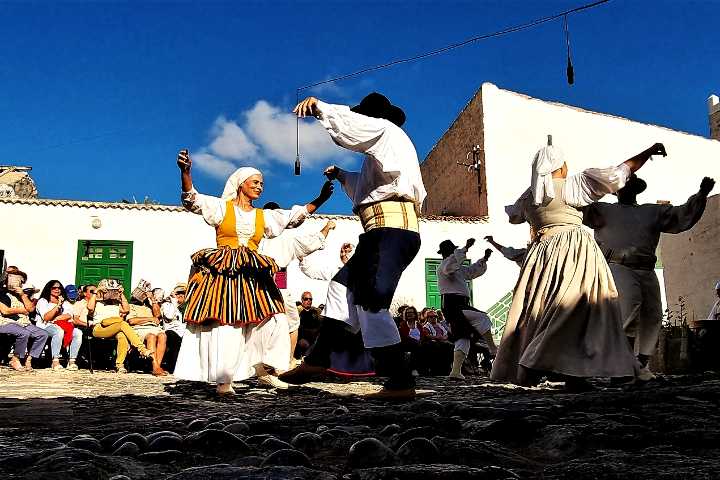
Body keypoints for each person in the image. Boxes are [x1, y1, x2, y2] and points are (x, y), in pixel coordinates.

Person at [491, 143, 665, 389]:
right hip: (573, 251)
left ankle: (575, 374)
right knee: (579, 309)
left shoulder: (531, 195)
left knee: (549, 311)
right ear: (561, 165)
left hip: (542, 254)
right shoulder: (574, 185)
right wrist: (647, 153)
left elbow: (514, 216)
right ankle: (533, 364)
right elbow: (620, 173)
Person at [289, 92, 426, 399]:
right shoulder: (380, 154)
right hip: (379, 233)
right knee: (340, 287)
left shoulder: (386, 132)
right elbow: (369, 190)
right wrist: (341, 176)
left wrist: (321, 108)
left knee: (371, 301)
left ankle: (401, 380)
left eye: (364, 116)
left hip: (391, 231)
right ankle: (318, 360)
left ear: (373, 118)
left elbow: (350, 129)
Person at [173, 149, 333, 394]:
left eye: (262, 184)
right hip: (226, 273)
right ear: (240, 185)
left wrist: (319, 200)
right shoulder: (220, 208)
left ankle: (262, 369)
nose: (260, 187)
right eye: (255, 183)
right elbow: (192, 199)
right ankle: (224, 381)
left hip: (253, 275)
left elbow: (293, 217)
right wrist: (186, 172)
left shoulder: (263, 216)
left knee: (275, 319)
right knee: (228, 323)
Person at [583, 174, 715, 380]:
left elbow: (681, 215)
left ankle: (639, 364)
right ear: (615, 190)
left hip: (646, 268)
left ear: (635, 190)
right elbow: (577, 207)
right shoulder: (603, 210)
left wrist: (701, 195)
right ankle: (621, 365)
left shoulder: (651, 211)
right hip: (618, 267)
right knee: (628, 309)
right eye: (621, 186)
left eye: (628, 186)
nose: (624, 190)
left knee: (652, 314)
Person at [259, 216, 335, 364]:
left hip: (266, 277)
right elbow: (313, 241)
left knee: (281, 321)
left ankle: (286, 360)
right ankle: (287, 361)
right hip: (276, 276)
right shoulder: (285, 239)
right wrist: (327, 227)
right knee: (290, 322)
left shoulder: (256, 235)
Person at [437, 239, 497, 380]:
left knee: (463, 337)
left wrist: (484, 258)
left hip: (459, 304)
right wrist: (466, 248)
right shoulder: (444, 266)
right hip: (453, 304)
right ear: (449, 252)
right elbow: (450, 265)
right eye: (453, 251)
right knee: (482, 317)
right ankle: (493, 349)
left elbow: (471, 272)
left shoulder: (457, 268)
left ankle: (456, 371)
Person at [88, 279, 154, 373]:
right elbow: (90, 308)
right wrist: (96, 292)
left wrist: (121, 294)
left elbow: (126, 309)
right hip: (99, 328)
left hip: (115, 327)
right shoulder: (97, 302)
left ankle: (120, 365)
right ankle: (141, 348)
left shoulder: (116, 303)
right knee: (122, 323)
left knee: (122, 335)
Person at [0, 266, 49, 371]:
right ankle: (15, 359)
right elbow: (5, 311)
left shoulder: (22, 295)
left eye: (20, 280)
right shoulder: (1, 292)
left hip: (23, 322)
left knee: (42, 334)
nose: (18, 282)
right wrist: (21, 310)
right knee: (24, 333)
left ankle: (29, 358)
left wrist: (22, 295)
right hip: (5, 322)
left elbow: (30, 309)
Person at [36, 280, 83, 371]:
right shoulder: (43, 301)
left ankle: (72, 361)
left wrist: (56, 319)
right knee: (58, 331)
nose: (57, 290)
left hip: (59, 324)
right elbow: (46, 317)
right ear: (49, 289)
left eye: (59, 288)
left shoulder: (64, 302)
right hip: (44, 326)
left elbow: (69, 315)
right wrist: (57, 306)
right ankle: (55, 361)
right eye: (54, 288)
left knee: (78, 333)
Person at [127, 285, 167, 376]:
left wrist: (152, 299)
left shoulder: (150, 306)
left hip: (154, 327)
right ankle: (155, 367)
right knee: (151, 336)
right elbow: (132, 321)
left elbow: (158, 316)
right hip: (139, 328)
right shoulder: (131, 306)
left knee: (162, 336)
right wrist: (150, 319)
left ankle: (157, 366)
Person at [159, 284, 185, 372]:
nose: (181, 295)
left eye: (183, 293)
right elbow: (169, 316)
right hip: (171, 332)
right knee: (173, 337)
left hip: (183, 333)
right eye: (178, 293)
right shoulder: (167, 305)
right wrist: (174, 301)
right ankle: (174, 367)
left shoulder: (187, 306)